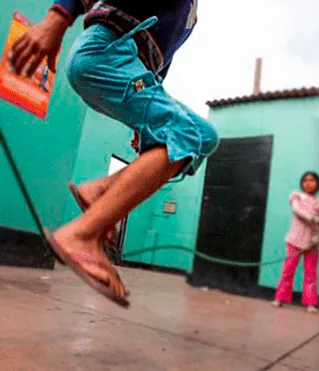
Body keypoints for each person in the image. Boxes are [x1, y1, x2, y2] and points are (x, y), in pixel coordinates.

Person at [9, 0, 219, 306]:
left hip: (126, 67)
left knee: (203, 136)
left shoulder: (189, 15)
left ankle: (101, 189)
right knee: (189, 135)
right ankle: (81, 235)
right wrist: (57, 18)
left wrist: (143, 121)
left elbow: (160, 63)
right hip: (107, 52)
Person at [273, 172, 319, 313]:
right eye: (305, 180)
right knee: (288, 271)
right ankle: (280, 298)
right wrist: (313, 218)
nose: (309, 183)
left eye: (312, 180)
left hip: (313, 244)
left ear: (317, 183)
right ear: (301, 183)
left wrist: (318, 237)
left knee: (310, 273)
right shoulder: (296, 197)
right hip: (295, 241)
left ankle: (310, 303)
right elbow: (298, 211)